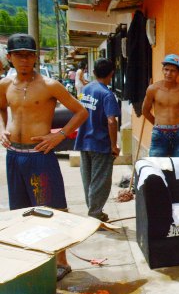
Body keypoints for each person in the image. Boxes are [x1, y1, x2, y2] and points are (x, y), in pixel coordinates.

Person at [0, 33, 89, 281]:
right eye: (19, 55)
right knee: (21, 210)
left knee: (54, 208)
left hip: (41, 154)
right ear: (10, 58)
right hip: (14, 155)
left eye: (29, 55)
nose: (25, 60)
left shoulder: (50, 85)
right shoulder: (6, 85)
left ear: (35, 57)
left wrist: (59, 136)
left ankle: (62, 261)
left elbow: (81, 112)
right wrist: (3, 129)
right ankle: (30, 257)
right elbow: (1, 108)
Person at [74, 58, 120, 222]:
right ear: (112, 74)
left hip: (84, 141)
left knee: (88, 179)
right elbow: (111, 121)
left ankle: (94, 210)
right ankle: (95, 213)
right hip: (100, 144)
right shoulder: (107, 94)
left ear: (93, 73)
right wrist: (114, 145)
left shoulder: (86, 89)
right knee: (100, 181)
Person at [141, 54, 179, 157]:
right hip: (159, 134)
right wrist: (158, 124)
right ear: (162, 70)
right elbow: (145, 111)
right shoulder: (153, 89)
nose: (168, 73)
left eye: (173, 71)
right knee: (156, 167)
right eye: (166, 69)